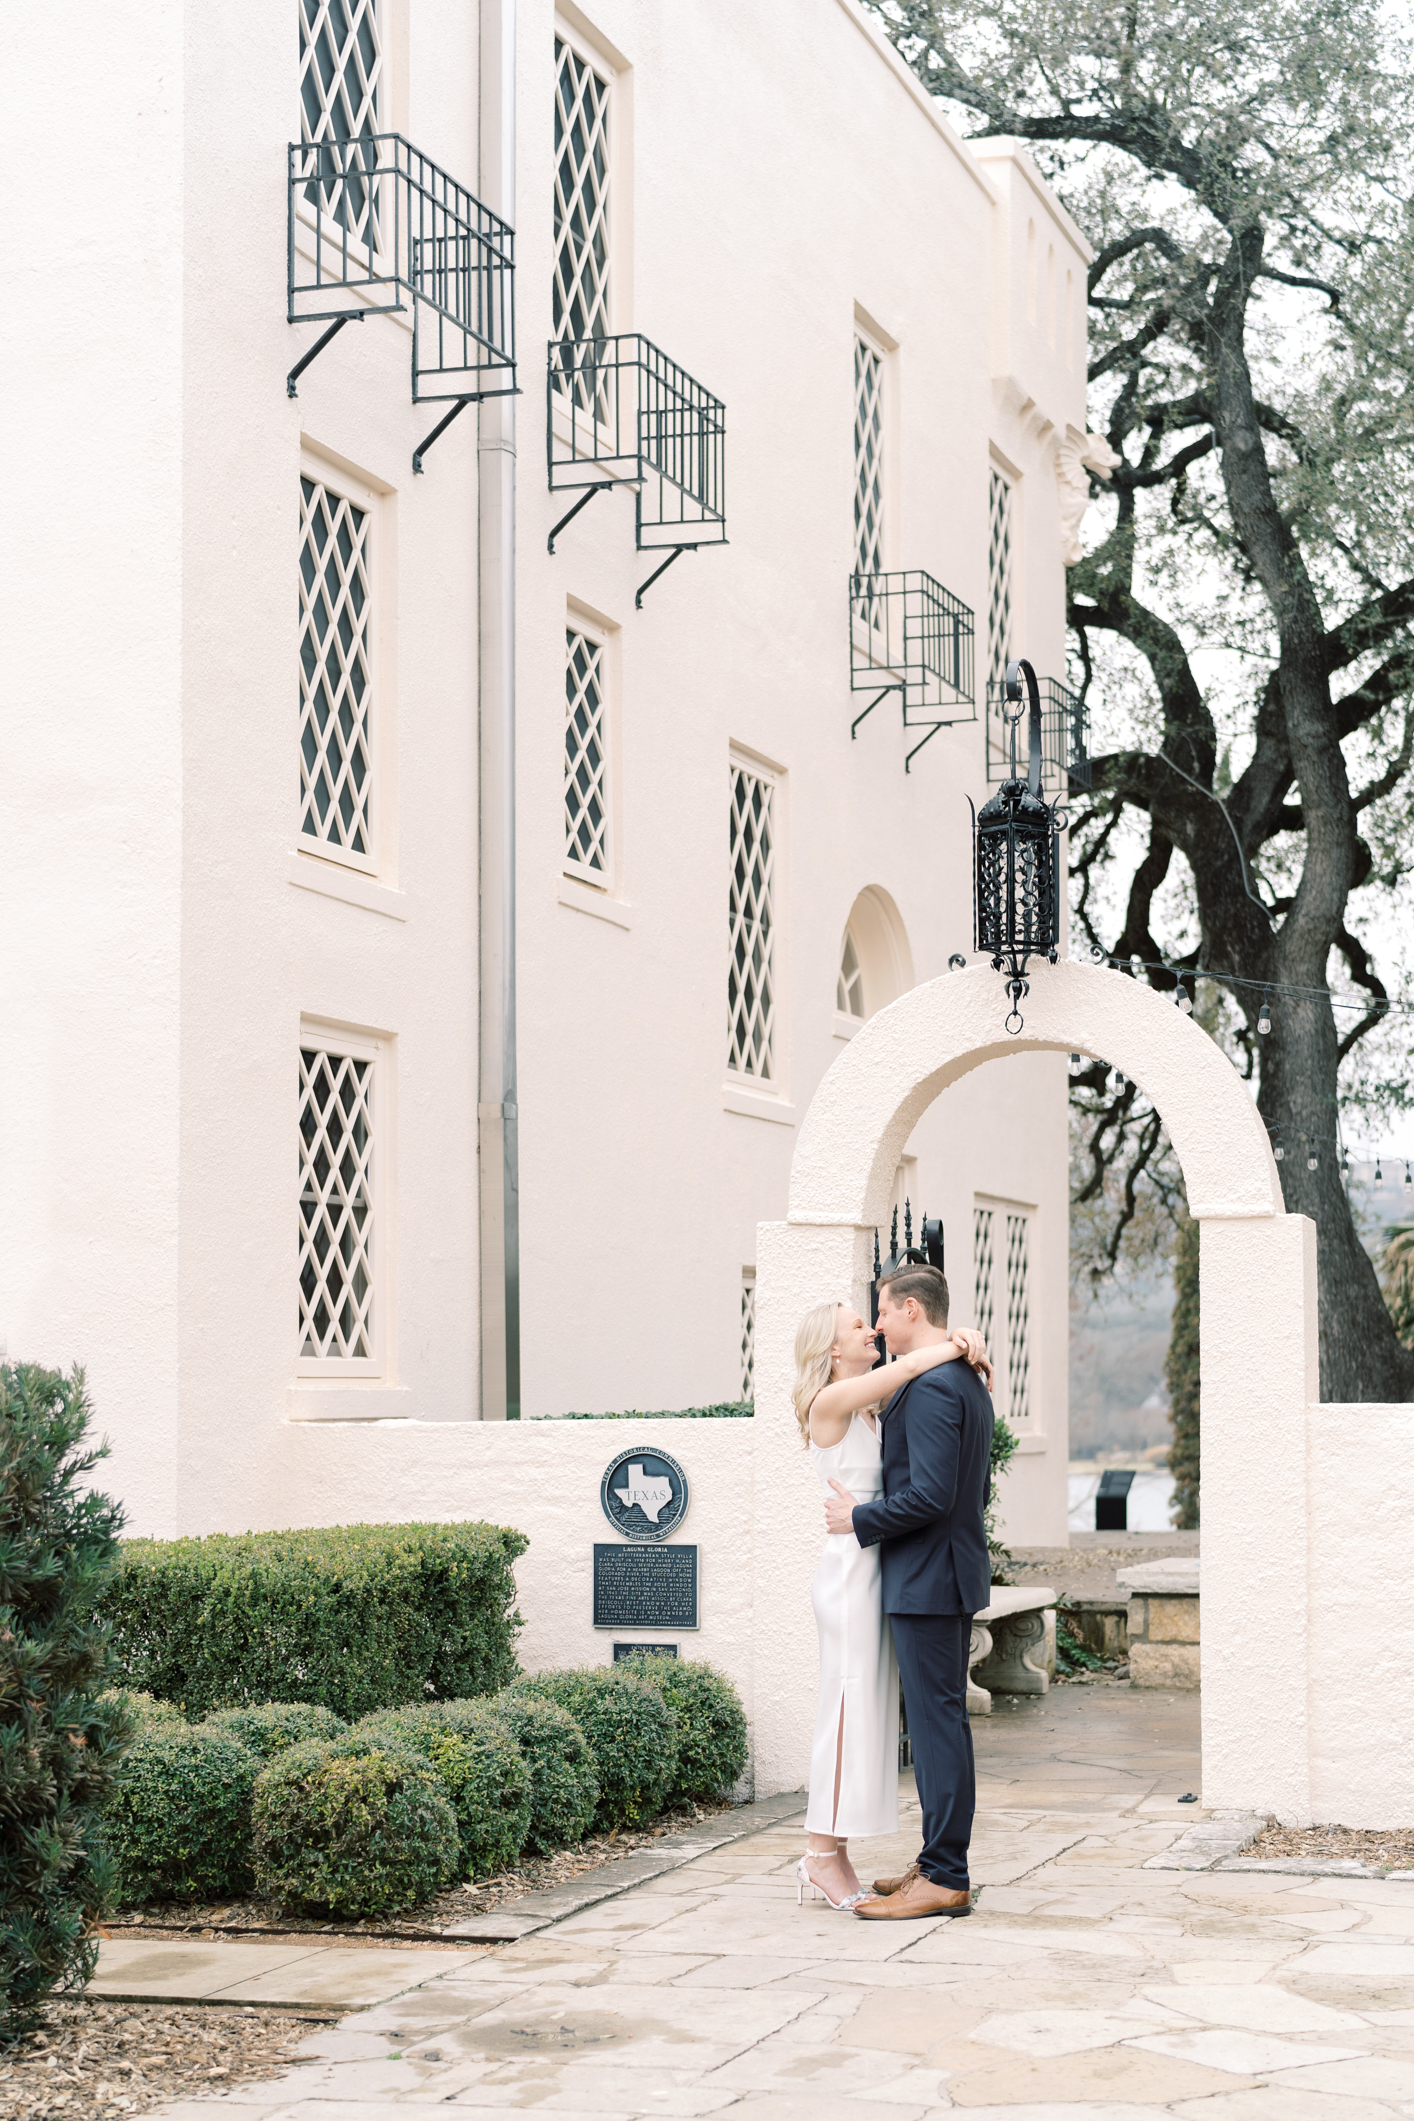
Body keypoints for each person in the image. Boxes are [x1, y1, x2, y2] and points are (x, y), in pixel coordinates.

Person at [793, 1296, 992, 1911]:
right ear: (832, 1348)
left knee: (872, 1717)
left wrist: (959, 1335)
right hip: (854, 1573)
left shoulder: (870, 1405)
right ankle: (821, 1855)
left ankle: (844, 1851)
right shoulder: (831, 1402)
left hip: (886, 1568)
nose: (872, 1328)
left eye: (875, 1316)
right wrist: (960, 1342)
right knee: (848, 1709)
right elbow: (907, 1369)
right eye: (859, 1325)